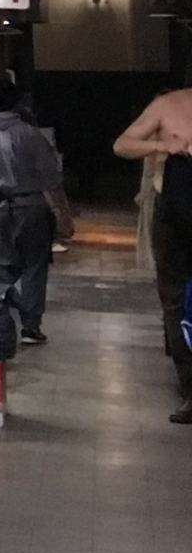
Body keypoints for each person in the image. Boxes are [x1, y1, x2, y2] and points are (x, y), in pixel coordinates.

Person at [0, 76, 73, 345]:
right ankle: (31, 326)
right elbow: (52, 178)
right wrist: (63, 213)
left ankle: (2, 324)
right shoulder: (32, 135)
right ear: (16, 102)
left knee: (0, 269)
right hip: (31, 207)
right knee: (34, 267)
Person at [114, 88, 192, 424]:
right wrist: (161, 146)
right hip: (176, 212)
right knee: (175, 299)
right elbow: (122, 144)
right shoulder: (168, 105)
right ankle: (191, 387)